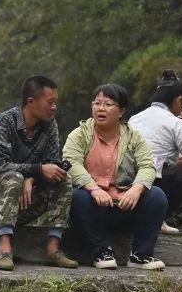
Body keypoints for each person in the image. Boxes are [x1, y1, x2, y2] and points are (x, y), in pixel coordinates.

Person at [0, 76, 78, 271]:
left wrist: (31, 177)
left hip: (25, 199)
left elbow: (52, 161)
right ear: (31, 102)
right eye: (50, 102)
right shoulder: (4, 122)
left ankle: (53, 249)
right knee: (13, 177)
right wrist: (36, 170)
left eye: (55, 102)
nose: (54, 107)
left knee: (63, 179)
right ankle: (5, 249)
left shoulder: (49, 124)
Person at [64, 83, 167, 270]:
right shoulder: (80, 134)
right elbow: (71, 162)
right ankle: (100, 252)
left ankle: (140, 255)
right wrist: (93, 188)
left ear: (121, 112)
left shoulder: (134, 136)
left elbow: (147, 166)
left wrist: (136, 189)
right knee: (76, 197)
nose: (100, 108)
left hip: (125, 205)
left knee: (157, 195)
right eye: (96, 103)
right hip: (94, 207)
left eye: (108, 104)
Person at [128, 70, 182, 231]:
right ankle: (172, 221)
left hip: (128, 178)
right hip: (153, 181)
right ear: (179, 100)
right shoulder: (175, 123)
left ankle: (158, 219)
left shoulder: (135, 118)